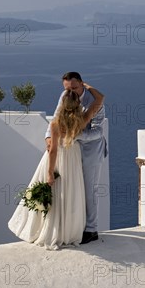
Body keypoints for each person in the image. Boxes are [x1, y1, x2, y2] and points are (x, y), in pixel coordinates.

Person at [8, 89, 102, 249]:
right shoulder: (81, 121)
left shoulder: (56, 124)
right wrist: (87, 86)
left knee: (56, 195)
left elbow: (53, 150)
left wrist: (50, 173)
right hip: (73, 161)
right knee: (70, 194)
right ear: (78, 104)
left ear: (63, 105)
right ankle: (69, 232)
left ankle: (54, 231)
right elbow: (99, 100)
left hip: (59, 160)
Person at [45, 72, 107, 244]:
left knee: (89, 189)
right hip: (73, 150)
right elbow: (56, 116)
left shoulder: (95, 104)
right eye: (66, 89)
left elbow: (99, 132)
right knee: (73, 188)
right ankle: (74, 226)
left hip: (91, 150)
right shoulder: (66, 96)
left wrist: (75, 136)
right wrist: (48, 137)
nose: (69, 92)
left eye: (74, 88)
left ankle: (91, 229)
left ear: (82, 84)